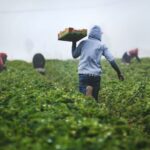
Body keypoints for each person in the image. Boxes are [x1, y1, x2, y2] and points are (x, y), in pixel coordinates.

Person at [71, 25, 124, 102]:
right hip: (95, 75)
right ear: (99, 35)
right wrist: (119, 73)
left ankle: (87, 92)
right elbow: (111, 60)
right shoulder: (102, 45)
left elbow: (74, 55)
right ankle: (91, 99)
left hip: (83, 74)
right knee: (95, 100)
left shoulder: (83, 43)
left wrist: (74, 42)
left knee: (83, 100)